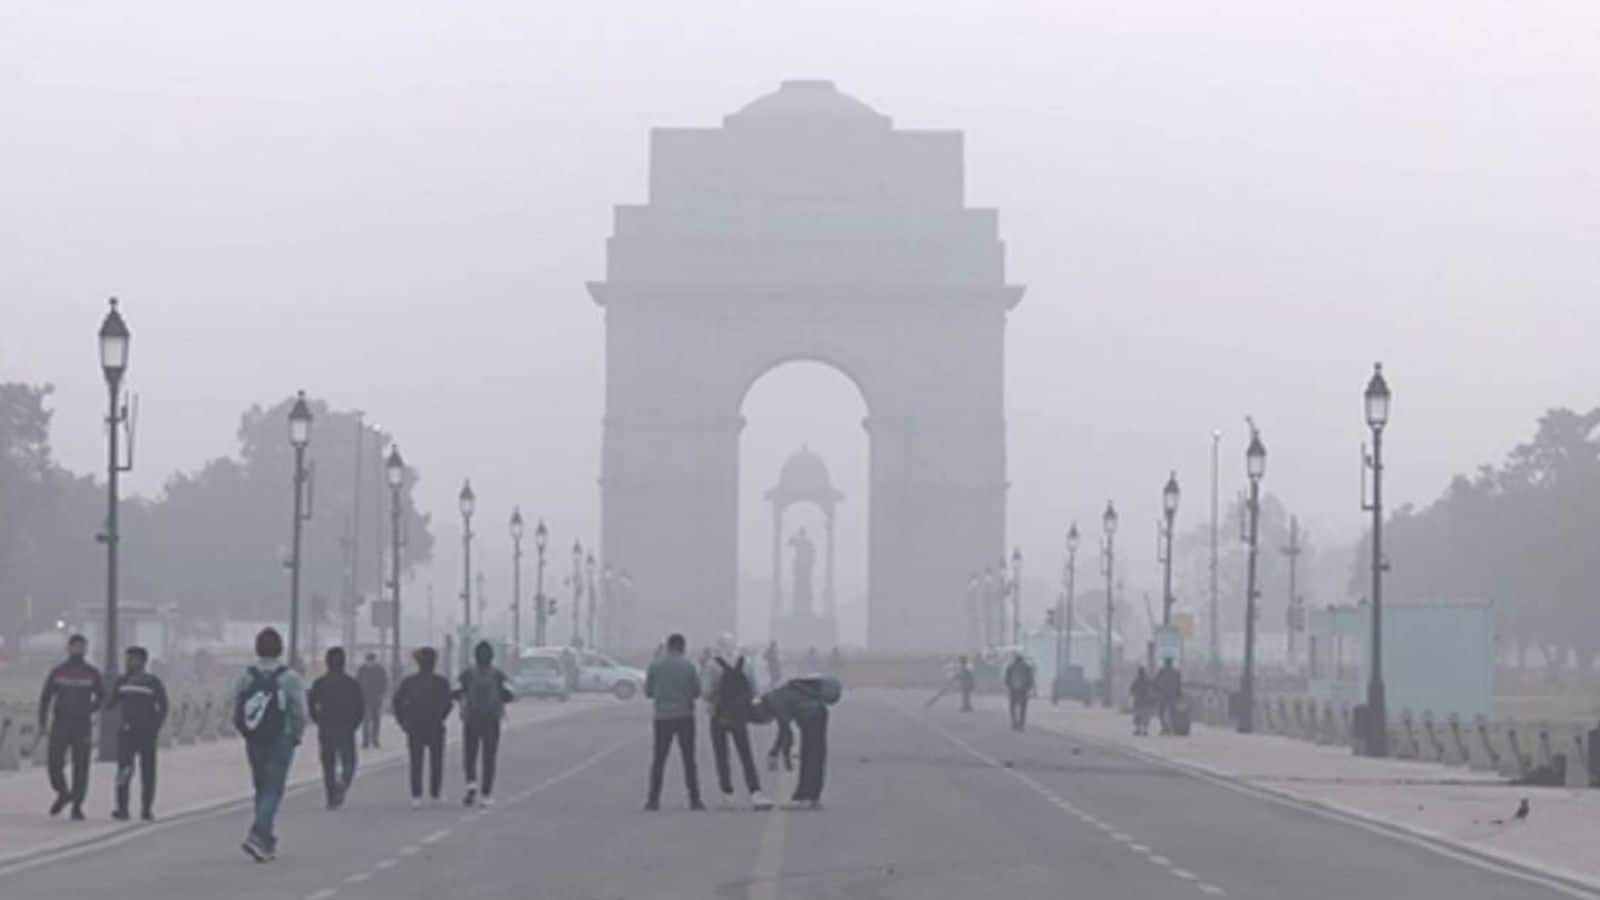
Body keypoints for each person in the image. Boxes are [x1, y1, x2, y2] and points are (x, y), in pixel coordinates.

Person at [233, 627, 306, 862]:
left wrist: (246, 731)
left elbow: (237, 707)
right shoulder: (290, 678)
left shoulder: (246, 676)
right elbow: (300, 712)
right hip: (280, 738)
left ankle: (266, 840)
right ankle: (258, 835)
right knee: (274, 789)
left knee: (261, 787)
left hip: (254, 738)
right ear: (280, 648)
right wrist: (296, 735)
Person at [37, 633, 105, 821]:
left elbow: (102, 696)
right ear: (69, 648)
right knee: (54, 763)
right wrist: (43, 722)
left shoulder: (92, 672)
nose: (78, 650)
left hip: (82, 725)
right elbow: (46, 697)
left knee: (81, 766)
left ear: (86, 649)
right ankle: (63, 792)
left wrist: (90, 709)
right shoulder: (59, 671)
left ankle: (77, 805)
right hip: (61, 723)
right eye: (75, 646)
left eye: (81, 647)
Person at [704, 634, 770, 810]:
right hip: (739, 715)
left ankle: (728, 794)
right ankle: (755, 792)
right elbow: (754, 689)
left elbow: (706, 692)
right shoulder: (745, 662)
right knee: (746, 754)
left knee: (722, 755)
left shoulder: (712, 664)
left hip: (718, 715)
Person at [755, 675, 839, 809]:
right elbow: (786, 733)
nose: (767, 720)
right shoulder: (776, 696)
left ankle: (806, 797)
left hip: (813, 716)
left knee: (811, 756)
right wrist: (783, 755)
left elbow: (786, 733)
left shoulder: (776, 703)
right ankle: (811, 797)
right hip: (815, 714)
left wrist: (775, 753)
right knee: (814, 755)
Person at [107, 645, 168, 821]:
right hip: (127, 732)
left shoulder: (152, 682)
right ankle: (122, 808)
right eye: (127, 659)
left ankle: (146, 808)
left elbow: (163, 706)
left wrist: (155, 726)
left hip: (146, 734)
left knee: (148, 772)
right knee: (124, 771)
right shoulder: (122, 681)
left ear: (141, 661)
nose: (128, 662)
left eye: (131, 659)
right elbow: (111, 703)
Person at [643, 633, 703, 811]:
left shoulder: (655, 665)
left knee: (659, 759)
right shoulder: (689, 666)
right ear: (683, 647)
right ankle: (695, 799)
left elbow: (648, 692)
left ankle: (653, 800)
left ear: (668, 647)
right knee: (689, 759)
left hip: (662, 717)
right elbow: (697, 692)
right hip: (685, 716)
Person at [456, 641, 514, 807]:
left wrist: (464, 701)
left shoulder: (467, 674)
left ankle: (471, 783)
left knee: (470, 754)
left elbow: (455, 691)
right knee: (489, 756)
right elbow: (510, 695)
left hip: (471, 718)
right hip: (492, 719)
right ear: (491, 656)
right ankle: (486, 794)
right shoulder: (498, 675)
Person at [393, 646, 453, 808]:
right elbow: (448, 703)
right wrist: (441, 717)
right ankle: (435, 792)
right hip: (435, 725)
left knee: (416, 761)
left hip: (414, 726)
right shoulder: (441, 682)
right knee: (436, 761)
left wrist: (403, 721)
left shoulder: (409, 682)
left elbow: (397, 702)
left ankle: (416, 795)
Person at [308, 647, 365, 810]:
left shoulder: (319, 683)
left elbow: (311, 704)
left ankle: (331, 797)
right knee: (349, 761)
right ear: (343, 662)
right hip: (346, 727)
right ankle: (343, 783)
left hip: (326, 727)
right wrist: (354, 724)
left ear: (327, 663)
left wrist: (318, 720)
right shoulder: (352, 684)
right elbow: (360, 707)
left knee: (328, 764)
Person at [356, 653, 388, 750]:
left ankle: (373, 740)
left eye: (371, 660)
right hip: (367, 699)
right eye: (369, 660)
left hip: (375, 698)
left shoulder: (365, 669)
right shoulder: (365, 669)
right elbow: (384, 682)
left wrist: (382, 694)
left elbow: (384, 683)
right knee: (368, 720)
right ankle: (368, 741)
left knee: (374, 720)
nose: (370, 662)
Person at [1004, 653, 1035, 731]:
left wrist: (1009, 686)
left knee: (1012, 707)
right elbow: (1030, 678)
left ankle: (1014, 723)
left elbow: (1006, 679)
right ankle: (1021, 724)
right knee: (1023, 708)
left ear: (1015, 660)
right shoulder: (1027, 667)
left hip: (1013, 690)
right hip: (1023, 690)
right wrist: (1029, 688)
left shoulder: (1010, 667)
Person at [1154, 657, 1183, 736]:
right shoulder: (1176, 672)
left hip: (1163, 694)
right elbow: (1179, 685)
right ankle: (1171, 728)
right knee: (1172, 712)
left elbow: (1155, 682)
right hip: (1173, 695)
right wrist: (1179, 694)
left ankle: (1165, 728)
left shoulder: (1162, 671)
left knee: (1161, 712)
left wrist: (1158, 689)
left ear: (1165, 663)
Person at [1130, 666, 1154, 736]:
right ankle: (1145, 730)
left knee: (1138, 716)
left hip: (1138, 701)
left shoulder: (1136, 680)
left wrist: (1134, 694)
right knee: (1146, 716)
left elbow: (1131, 689)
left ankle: (1138, 730)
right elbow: (1152, 689)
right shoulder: (1148, 680)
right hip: (1147, 701)